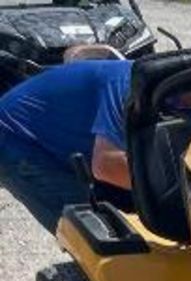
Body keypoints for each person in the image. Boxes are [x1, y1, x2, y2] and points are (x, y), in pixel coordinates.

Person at [0, 44, 131, 232]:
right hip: (14, 135)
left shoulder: (165, 91)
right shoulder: (124, 86)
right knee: (95, 230)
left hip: (60, 135)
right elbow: (106, 166)